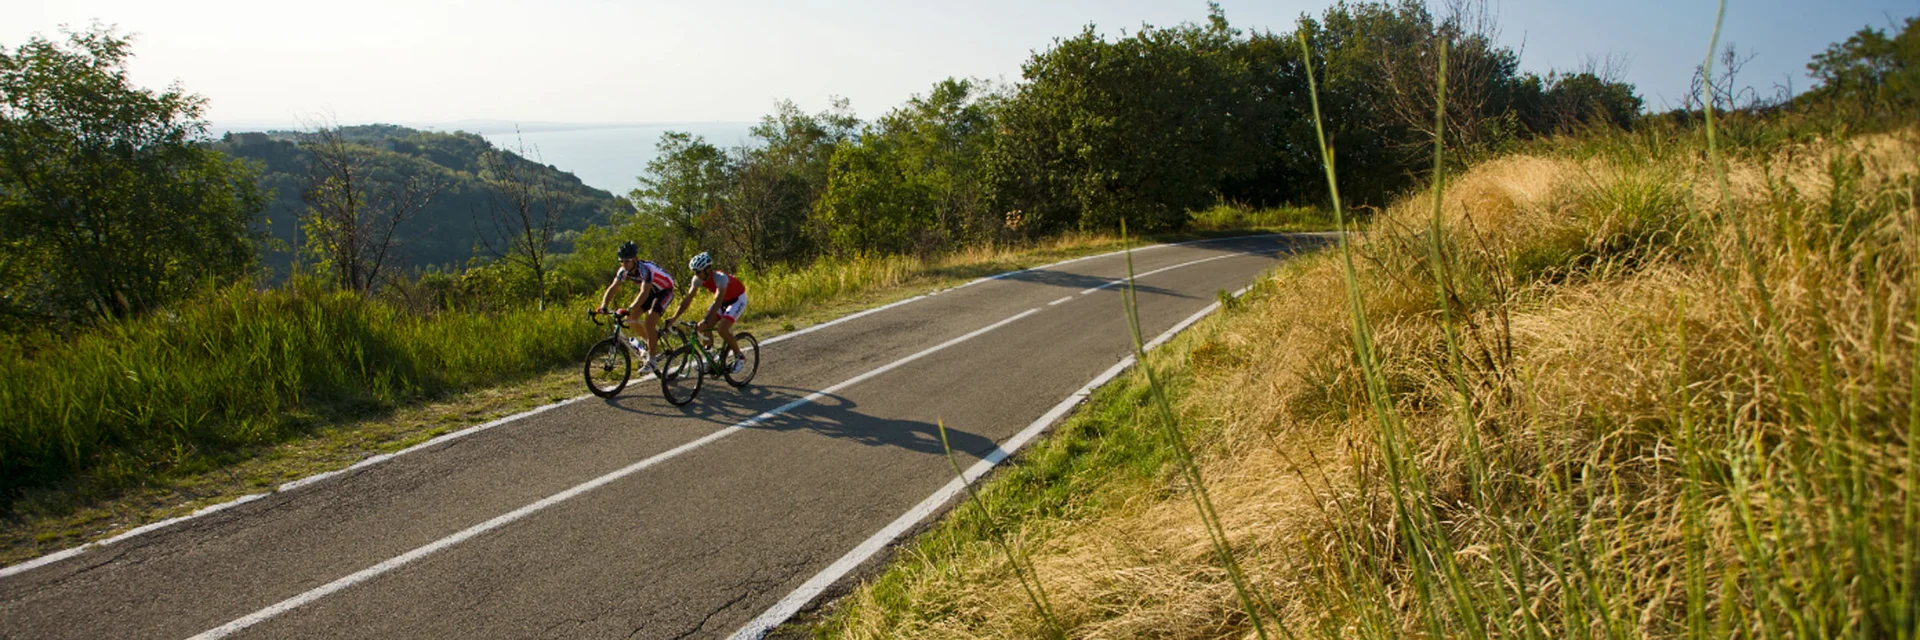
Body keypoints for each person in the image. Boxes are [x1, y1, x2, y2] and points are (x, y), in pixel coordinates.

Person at [595, 241, 675, 371]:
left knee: (649, 322)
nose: (624, 265)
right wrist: (603, 305)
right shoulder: (623, 271)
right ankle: (650, 342)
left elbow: (644, 292)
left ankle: (652, 360)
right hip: (651, 292)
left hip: (664, 291)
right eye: (622, 262)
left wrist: (630, 308)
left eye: (627, 261)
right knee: (630, 319)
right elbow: (613, 287)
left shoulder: (645, 269)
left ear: (635, 260)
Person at [666, 251, 748, 372]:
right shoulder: (697, 279)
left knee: (722, 329)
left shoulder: (720, 278)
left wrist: (706, 319)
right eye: (694, 272)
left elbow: (717, 302)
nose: (696, 274)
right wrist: (674, 317)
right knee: (702, 327)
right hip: (723, 301)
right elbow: (688, 299)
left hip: (737, 299)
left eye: (698, 271)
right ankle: (711, 357)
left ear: (708, 270)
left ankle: (739, 356)